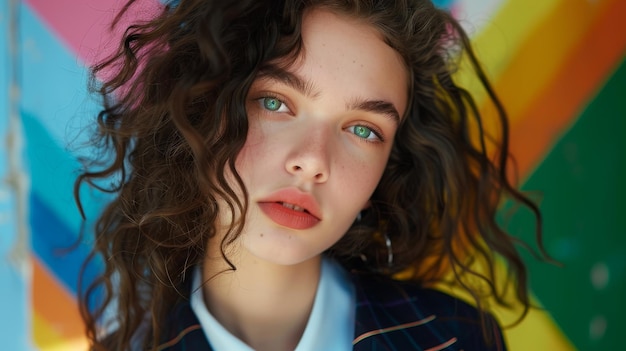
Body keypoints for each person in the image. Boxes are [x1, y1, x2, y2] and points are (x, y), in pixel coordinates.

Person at [75, 0, 544, 350]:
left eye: (363, 129)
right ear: (203, 110)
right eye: (275, 102)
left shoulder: (457, 337)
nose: (314, 161)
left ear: (390, 167)